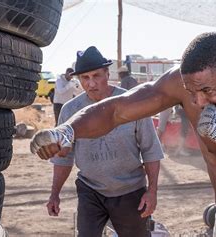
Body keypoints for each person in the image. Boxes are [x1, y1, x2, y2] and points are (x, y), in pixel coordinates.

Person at [31, 32, 216, 236]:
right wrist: (69, 130)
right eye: (192, 92)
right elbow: (117, 110)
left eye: (207, 91)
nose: (198, 103)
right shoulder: (186, 85)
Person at [44, 46, 163, 237]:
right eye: (85, 78)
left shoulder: (133, 104)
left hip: (130, 192)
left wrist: (152, 191)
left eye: (96, 75)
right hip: (90, 190)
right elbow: (64, 158)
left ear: (108, 73)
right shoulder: (70, 110)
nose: (91, 83)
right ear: (78, 80)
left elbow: (150, 150)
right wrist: (54, 194)